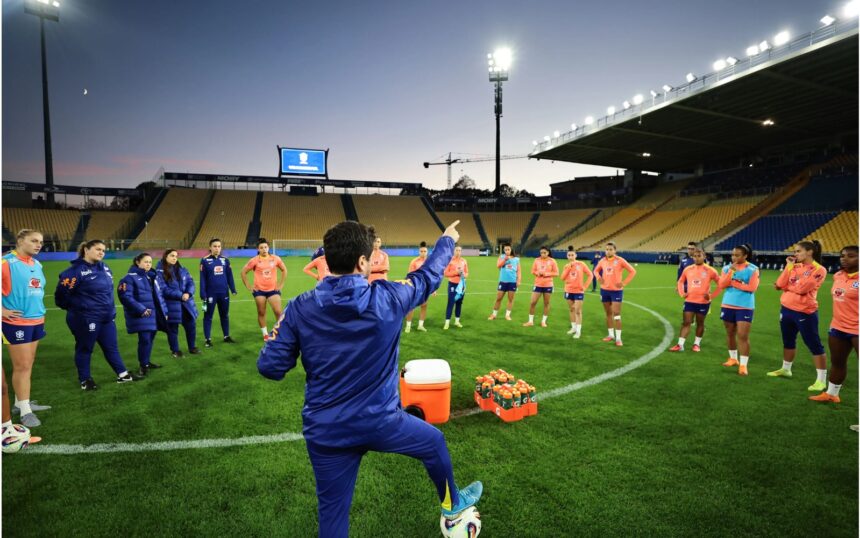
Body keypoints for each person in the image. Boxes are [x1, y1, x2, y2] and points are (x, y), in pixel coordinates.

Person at [257, 220, 482, 538]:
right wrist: (446, 240)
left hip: (327, 431)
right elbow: (429, 278)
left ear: (327, 259)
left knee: (333, 517)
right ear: (363, 262)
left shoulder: (300, 307)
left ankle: (454, 505)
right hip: (382, 423)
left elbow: (270, 367)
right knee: (434, 443)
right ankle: (452, 507)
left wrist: (286, 335)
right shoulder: (389, 297)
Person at [55, 239, 141, 390]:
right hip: (86, 318)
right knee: (85, 348)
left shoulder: (104, 267)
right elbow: (61, 297)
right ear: (86, 250)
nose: (101, 252)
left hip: (107, 317)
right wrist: (81, 308)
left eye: (103, 250)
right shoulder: (75, 271)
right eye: (98, 249)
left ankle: (123, 375)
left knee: (111, 347)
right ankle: (85, 380)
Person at [2, 230, 51, 427]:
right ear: (20, 241)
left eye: (40, 241)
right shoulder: (6, 263)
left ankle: (20, 402)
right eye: (34, 241)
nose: (39, 244)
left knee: (27, 364)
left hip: (36, 320)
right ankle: (25, 412)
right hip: (16, 323)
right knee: (22, 366)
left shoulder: (37, 264)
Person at [767, 240, 829, 390]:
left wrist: (788, 287)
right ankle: (786, 369)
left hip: (805, 311)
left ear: (809, 252)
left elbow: (803, 288)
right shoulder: (793, 267)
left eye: (798, 251)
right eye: (795, 251)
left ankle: (821, 380)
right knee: (788, 341)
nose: (795, 254)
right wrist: (788, 267)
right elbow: (780, 284)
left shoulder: (819, 269)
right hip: (787, 309)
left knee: (813, 344)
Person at [810, 245, 858, 404]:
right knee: (837, 362)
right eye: (842, 255)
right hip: (838, 327)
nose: (844, 258)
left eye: (850, 256)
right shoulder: (838, 275)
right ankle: (831, 394)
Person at [118, 253, 168, 376]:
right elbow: (125, 296)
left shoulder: (152, 277)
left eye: (150, 262)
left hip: (154, 314)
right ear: (137, 262)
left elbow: (159, 296)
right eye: (145, 262)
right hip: (142, 314)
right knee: (145, 339)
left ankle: (146, 362)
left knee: (150, 339)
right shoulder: (129, 278)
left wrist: (164, 312)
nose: (148, 264)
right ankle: (143, 365)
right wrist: (141, 309)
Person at [718, 244, 760, 376]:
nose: (734, 257)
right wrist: (731, 272)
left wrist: (734, 283)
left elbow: (752, 288)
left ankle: (743, 365)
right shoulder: (726, 268)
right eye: (733, 255)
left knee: (742, 335)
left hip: (745, 306)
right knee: (730, 332)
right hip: (728, 304)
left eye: (737, 255)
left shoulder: (753, 269)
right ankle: (732, 358)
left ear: (745, 256)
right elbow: (722, 285)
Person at [670, 247, 720, 352]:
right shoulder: (688, 269)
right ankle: (680, 345)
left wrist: (711, 296)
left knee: (700, 323)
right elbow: (680, 281)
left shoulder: (710, 270)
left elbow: (720, 284)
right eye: (694, 256)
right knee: (686, 322)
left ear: (704, 256)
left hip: (703, 302)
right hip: (689, 301)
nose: (696, 258)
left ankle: (696, 344)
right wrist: (682, 293)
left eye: (699, 256)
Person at [157, 249, 201, 357]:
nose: (174, 258)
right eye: (172, 256)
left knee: (191, 326)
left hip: (186, 304)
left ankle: (192, 347)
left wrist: (188, 293)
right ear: (165, 256)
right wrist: (180, 295)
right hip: (172, 304)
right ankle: (175, 350)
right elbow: (163, 289)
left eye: (176, 256)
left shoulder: (182, 269)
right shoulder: (159, 272)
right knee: (173, 329)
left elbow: (191, 282)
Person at [242, 238, 287, 341]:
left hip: (273, 290)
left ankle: (280, 332)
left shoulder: (275, 258)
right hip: (259, 291)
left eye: (265, 247)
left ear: (268, 247)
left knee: (278, 311)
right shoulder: (254, 260)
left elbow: (284, 270)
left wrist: (281, 284)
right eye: (261, 247)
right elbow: (243, 272)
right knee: (261, 312)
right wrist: (248, 286)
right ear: (258, 249)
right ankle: (265, 334)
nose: (264, 249)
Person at [594, 242, 637, 346]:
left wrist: (624, 283)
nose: (608, 251)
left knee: (616, 314)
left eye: (610, 249)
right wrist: (599, 278)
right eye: (607, 249)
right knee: (608, 314)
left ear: (615, 250)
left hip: (616, 291)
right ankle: (610, 335)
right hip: (604, 290)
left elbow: (632, 271)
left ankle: (618, 338)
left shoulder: (620, 260)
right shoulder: (602, 260)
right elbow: (595, 270)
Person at [199, 238, 238, 348]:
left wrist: (233, 289)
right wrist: (203, 294)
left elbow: (230, 276)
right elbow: (202, 279)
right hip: (209, 294)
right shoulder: (204, 261)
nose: (217, 248)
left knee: (225, 315)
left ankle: (226, 336)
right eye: (215, 246)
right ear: (210, 247)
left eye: (219, 246)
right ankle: (207, 339)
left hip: (224, 293)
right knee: (207, 316)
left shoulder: (225, 260)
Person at [561, 246, 593, 339]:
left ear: (576, 255)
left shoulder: (581, 264)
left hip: (578, 291)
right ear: (567, 256)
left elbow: (590, 274)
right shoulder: (566, 266)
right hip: (568, 290)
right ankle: (573, 328)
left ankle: (578, 332)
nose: (570, 257)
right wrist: (568, 268)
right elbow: (562, 278)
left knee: (578, 311)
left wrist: (585, 286)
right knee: (571, 309)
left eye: (572, 255)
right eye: (569, 255)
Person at [524, 246, 559, 327]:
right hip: (538, 284)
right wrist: (537, 273)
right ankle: (530, 321)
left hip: (548, 285)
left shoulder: (552, 261)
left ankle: (543, 321)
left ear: (548, 252)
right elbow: (532, 271)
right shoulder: (537, 260)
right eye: (541, 253)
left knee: (546, 303)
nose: (543, 254)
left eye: (544, 253)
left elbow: (556, 273)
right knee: (533, 302)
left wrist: (546, 274)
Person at [489, 243, 521, 321]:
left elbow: (519, 271)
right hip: (503, 281)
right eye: (505, 250)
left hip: (512, 282)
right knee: (498, 298)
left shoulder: (516, 259)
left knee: (510, 299)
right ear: (504, 250)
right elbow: (498, 266)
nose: (507, 251)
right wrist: (505, 260)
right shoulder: (502, 257)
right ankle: (494, 314)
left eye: (508, 249)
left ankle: (507, 315)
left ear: (511, 249)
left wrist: (518, 281)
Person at [405, 242, 432, 333]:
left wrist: (433, 289)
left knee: (424, 306)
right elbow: (409, 275)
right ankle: (408, 326)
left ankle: (421, 325)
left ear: (427, 252)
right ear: (419, 252)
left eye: (425, 251)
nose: (423, 253)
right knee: (411, 306)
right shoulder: (414, 261)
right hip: (415, 286)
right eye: (421, 251)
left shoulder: (430, 262)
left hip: (426, 287)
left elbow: (432, 276)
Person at [443, 245, 469, 330]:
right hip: (453, 284)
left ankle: (457, 321)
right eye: (457, 250)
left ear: (461, 252)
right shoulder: (450, 261)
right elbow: (445, 273)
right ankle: (447, 323)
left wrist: (463, 275)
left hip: (461, 285)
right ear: (454, 251)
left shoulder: (464, 261)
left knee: (459, 303)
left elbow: (467, 273)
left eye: (459, 250)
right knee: (451, 303)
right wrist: (456, 272)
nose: (458, 252)